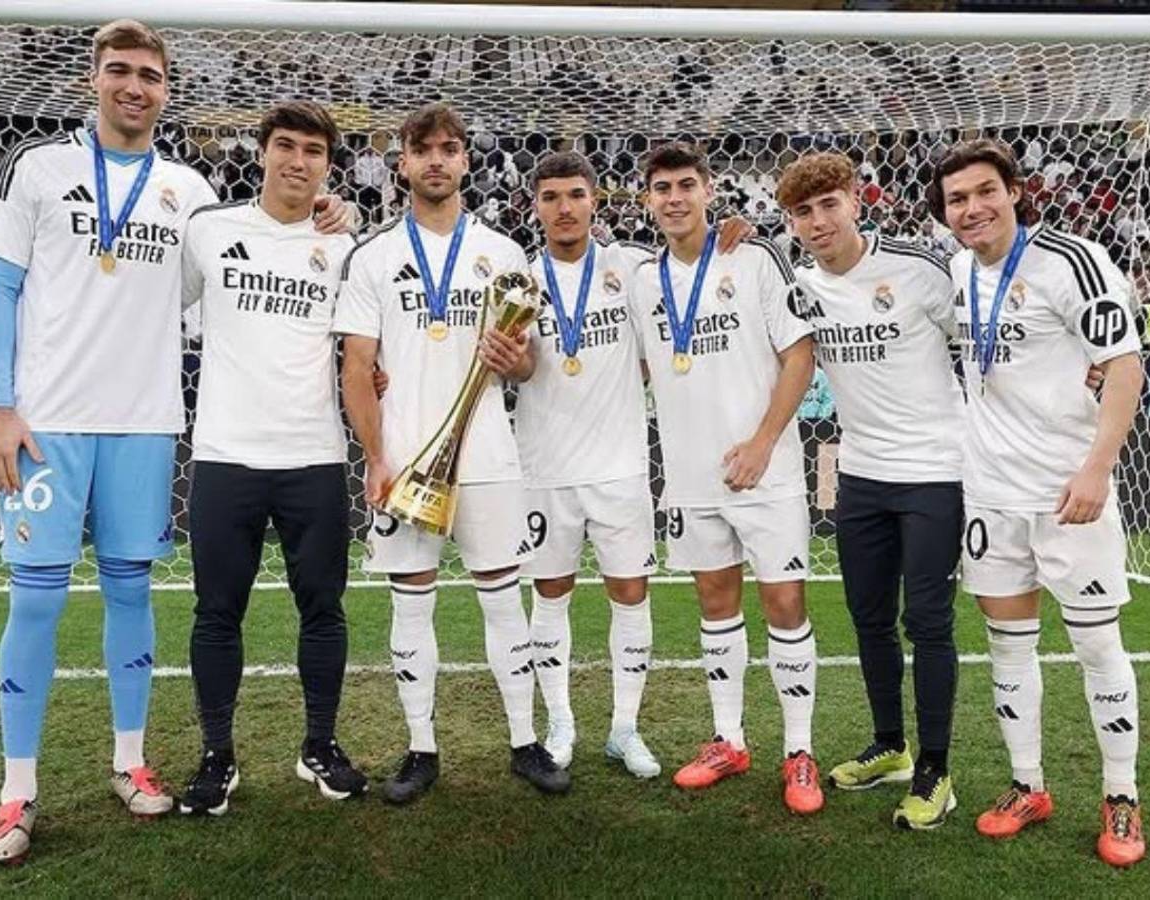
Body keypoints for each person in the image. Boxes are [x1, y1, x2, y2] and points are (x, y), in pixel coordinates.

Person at [0, 20, 349, 864]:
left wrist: (332, 207)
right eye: (119, 72)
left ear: (167, 89)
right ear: (93, 79)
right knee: (34, 598)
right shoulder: (33, 165)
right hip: (47, 424)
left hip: (147, 422)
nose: (133, 87)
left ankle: (132, 764)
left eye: (149, 74)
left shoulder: (190, 196)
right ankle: (17, 789)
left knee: (131, 591)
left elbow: (263, 243)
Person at [335, 102, 569, 804]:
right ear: (401, 161)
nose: (436, 160)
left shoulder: (502, 253)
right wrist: (375, 458)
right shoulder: (373, 255)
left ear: (467, 159)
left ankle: (525, 743)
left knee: (504, 605)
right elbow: (356, 365)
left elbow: (529, 369)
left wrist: (518, 358)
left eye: (449, 148)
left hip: (490, 454)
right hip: (405, 458)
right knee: (410, 608)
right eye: (422, 149)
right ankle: (420, 749)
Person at [930, 138, 1146, 866]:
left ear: (1016, 191)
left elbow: (1123, 363)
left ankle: (1121, 797)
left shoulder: (1071, 259)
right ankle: (1028, 785)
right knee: (1007, 647)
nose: (972, 208)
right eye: (957, 199)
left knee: (1095, 644)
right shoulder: (956, 271)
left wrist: (1097, 469)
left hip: (1067, 493)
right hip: (990, 493)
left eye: (985, 191)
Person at [510, 151, 753, 777]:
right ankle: (559, 723)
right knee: (551, 594)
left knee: (630, 593)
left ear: (596, 201)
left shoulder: (634, 268)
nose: (564, 208)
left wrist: (732, 236)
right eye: (550, 197)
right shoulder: (519, 280)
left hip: (620, 466)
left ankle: (625, 728)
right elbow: (518, 366)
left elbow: (686, 290)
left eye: (575, 195)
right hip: (544, 466)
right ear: (534, 207)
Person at [177, 100, 367, 816]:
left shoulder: (346, 247)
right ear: (262, 152)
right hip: (226, 456)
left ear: (328, 165)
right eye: (285, 146)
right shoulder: (209, 231)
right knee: (217, 611)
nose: (298, 161)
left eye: (313, 151)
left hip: (315, 458)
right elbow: (159, 308)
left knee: (323, 607)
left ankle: (319, 745)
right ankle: (216, 755)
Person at [628, 143, 822, 814]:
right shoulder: (639, 281)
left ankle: (799, 751)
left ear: (709, 190)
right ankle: (729, 739)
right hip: (690, 476)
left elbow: (800, 354)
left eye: (686, 185)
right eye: (662, 188)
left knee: (784, 607)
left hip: (764, 473)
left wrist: (764, 442)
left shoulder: (755, 256)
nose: (675, 197)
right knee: (716, 606)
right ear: (646, 200)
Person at [778, 151, 961, 829]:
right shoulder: (798, 284)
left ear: (857, 200)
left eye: (829, 204)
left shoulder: (918, 271)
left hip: (935, 473)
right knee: (869, 617)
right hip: (858, 475)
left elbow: (983, 343)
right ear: (791, 222)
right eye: (803, 211)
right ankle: (891, 745)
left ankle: (937, 770)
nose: (819, 220)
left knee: (930, 622)